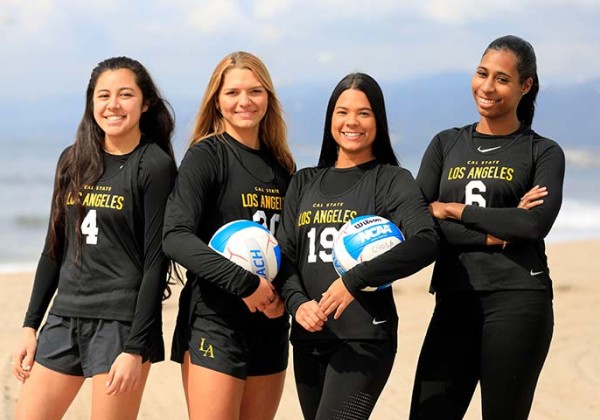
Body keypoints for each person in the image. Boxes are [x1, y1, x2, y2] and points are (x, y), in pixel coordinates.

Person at [11, 56, 177, 419]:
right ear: (91, 102)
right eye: (103, 95)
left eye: (125, 94)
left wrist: (135, 348)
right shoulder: (73, 160)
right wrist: (30, 325)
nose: (112, 105)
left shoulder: (153, 165)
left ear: (145, 103)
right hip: (64, 316)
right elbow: (54, 249)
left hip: (120, 323)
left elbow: (155, 263)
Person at [409, 35, 565, 420]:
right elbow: (417, 222)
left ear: (525, 86)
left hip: (519, 299)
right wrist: (495, 232)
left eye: (502, 78)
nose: (487, 87)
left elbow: (533, 225)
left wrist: (453, 209)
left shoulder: (542, 151)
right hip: (453, 298)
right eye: (482, 74)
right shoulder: (446, 144)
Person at [276, 72, 439, 419]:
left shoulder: (391, 180)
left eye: (364, 113)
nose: (352, 121)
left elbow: (426, 241)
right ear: (330, 119)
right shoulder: (304, 181)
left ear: (378, 120)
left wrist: (354, 280)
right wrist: (296, 303)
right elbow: (285, 256)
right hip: (308, 336)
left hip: (365, 339)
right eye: (342, 112)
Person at [162, 51, 295, 420]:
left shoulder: (282, 166)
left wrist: (284, 294)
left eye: (255, 91)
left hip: (270, 325)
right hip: (215, 320)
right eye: (233, 92)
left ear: (268, 98)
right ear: (217, 101)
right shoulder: (207, 156)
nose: (244, 101)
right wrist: (246, 285)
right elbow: (175, 236)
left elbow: (287, 246)